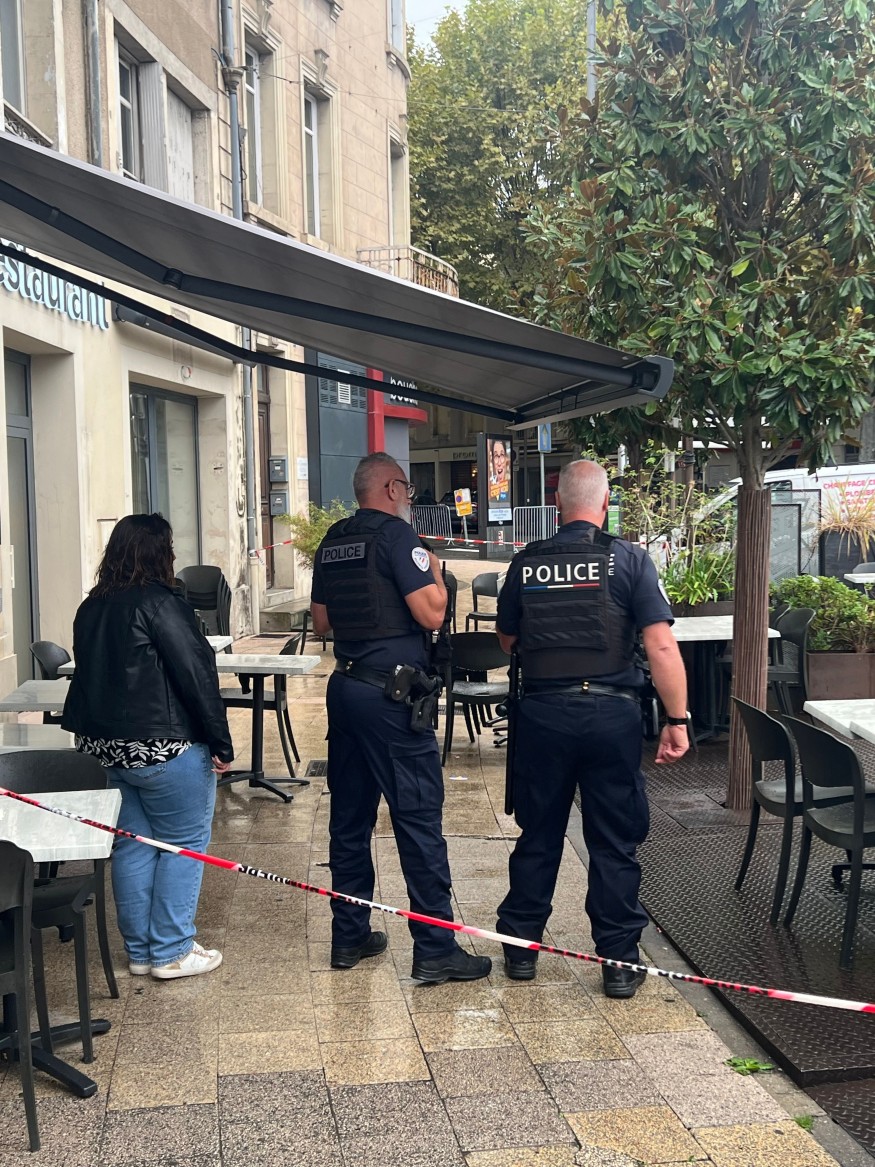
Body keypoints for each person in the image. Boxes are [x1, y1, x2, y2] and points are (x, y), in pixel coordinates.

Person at [494, 460, 689, 998]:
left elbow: (507, 641)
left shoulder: (527, 561)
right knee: (613, 840)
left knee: (539, 833)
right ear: (605, 503)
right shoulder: (630, 559)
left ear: (557, 503)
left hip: (543, 715)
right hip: (610, 716)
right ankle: (619, 963)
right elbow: (660, 645)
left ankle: (520, 949)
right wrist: (677, 719)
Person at [310, 452, 491, 984]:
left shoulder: (333, 540)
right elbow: (432, 613)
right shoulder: (397, 537)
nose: (409, 499)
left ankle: (349, 935)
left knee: (350, 819)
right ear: (392, 489)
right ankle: (435, 948)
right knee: (417, 816)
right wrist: (434, 572)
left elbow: (321, 623)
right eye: (407, 490)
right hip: (390, 699)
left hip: (346, 688)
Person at [62, 514, 234, 981]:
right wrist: (220, 743)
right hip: (164, 748)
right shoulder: (162, 604)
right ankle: (172, 951)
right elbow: (197, 676)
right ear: (161, 554)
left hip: (104, 750)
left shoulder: (91, 606)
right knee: (183, 845)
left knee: (132, 845)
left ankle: (140, 952)